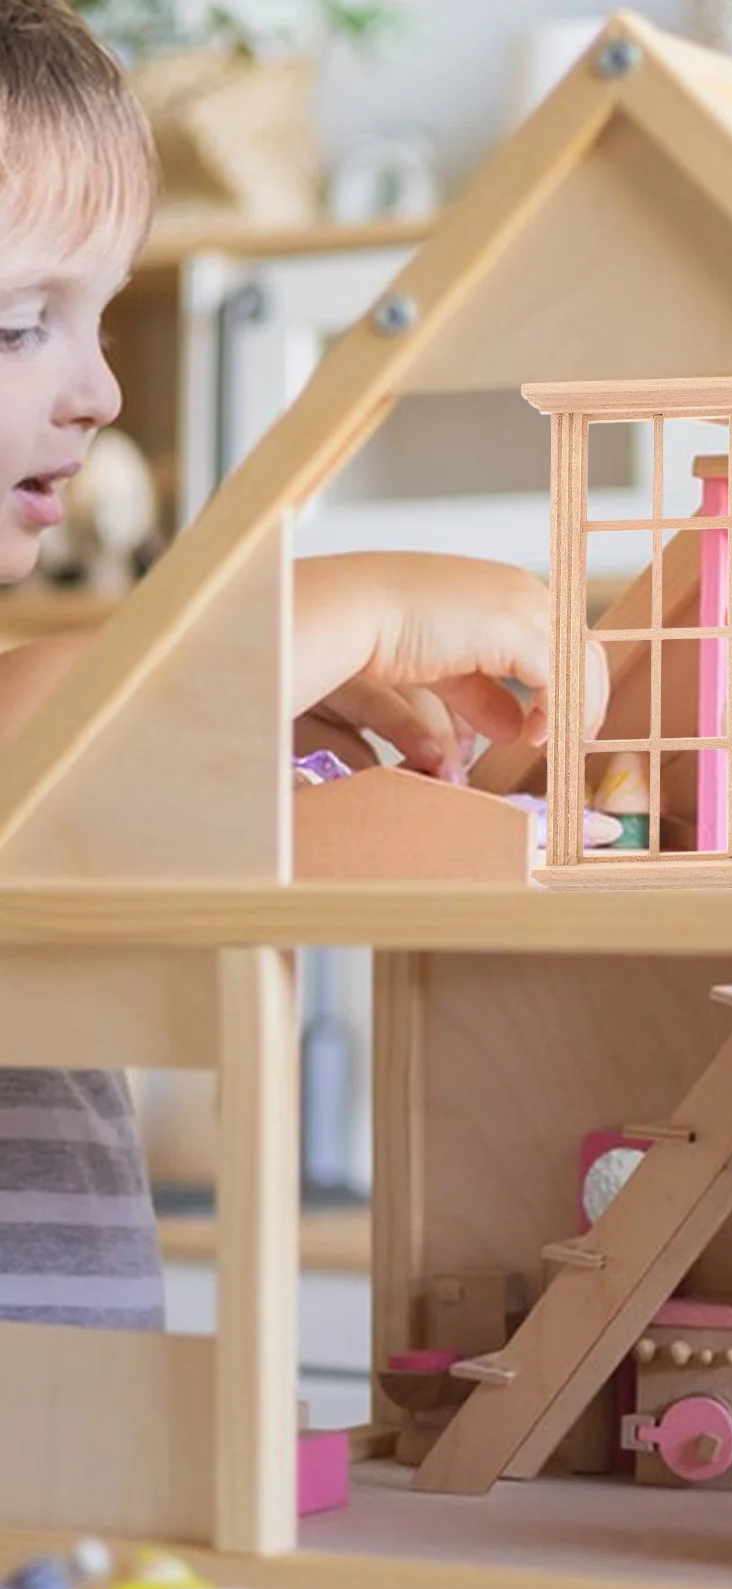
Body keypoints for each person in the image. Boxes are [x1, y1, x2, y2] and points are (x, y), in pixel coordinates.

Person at [0, 0, 609, 1330]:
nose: (99, 391)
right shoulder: (35, 717)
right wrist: (351, 607)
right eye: (19, 326)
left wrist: (230, 706)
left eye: (99, 318)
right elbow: (32, 757)